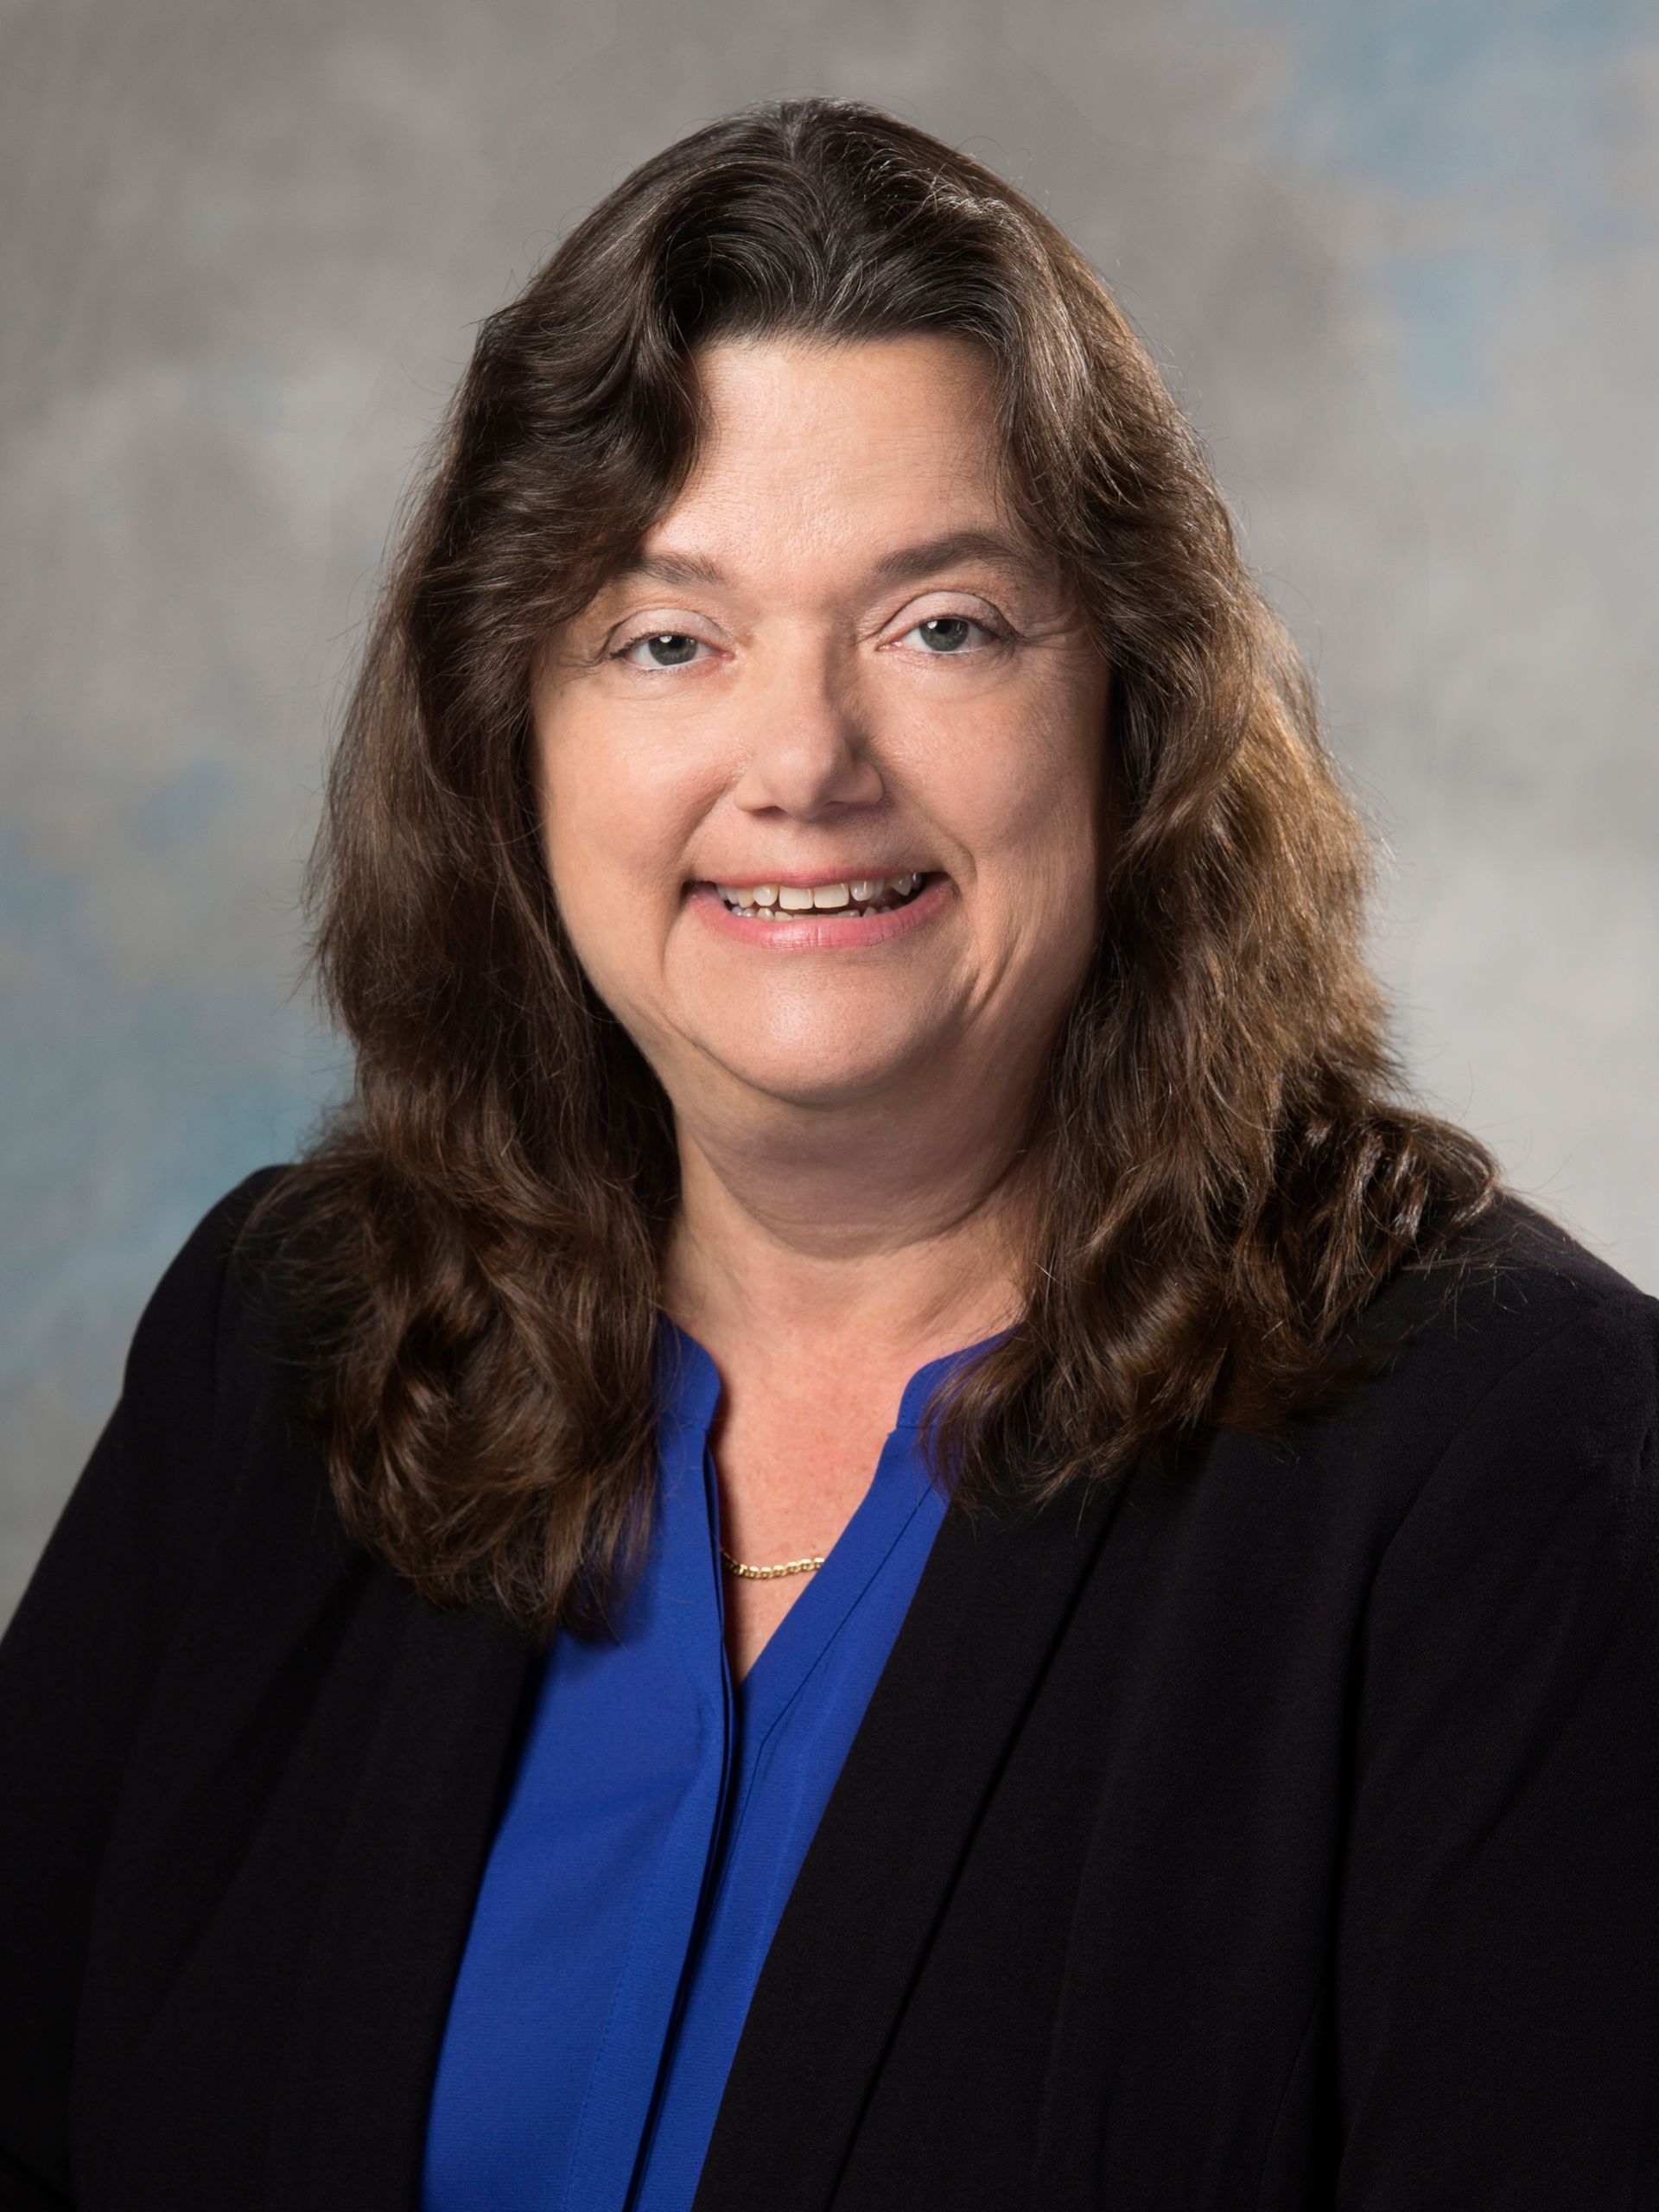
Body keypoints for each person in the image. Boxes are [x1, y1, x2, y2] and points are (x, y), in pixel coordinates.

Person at [2, 96, 1655, 2212]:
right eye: (665, 637)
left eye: (942, 623)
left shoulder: (1528, 1472)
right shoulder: (290, 1349)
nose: (803, 760)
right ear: (508, 736)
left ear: (1130, 718)